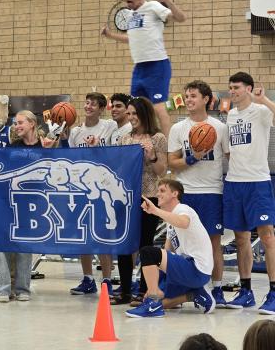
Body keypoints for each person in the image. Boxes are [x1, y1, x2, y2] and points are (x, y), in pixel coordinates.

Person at [168, 80, 229, 307]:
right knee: (180, 243)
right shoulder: (178, 128)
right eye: (187, 96)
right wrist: (192, 157)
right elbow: (172, 162)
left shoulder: (220, 128)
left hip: (212, 191)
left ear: (206, 99)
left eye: (194, 96)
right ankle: (183, 289)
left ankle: (218, 289)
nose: (189, 100)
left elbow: (230, 158)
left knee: (214, 243)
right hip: (185, 193)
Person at [101, 0, 186, 137]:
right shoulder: (132, 16)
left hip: (157, 66)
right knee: (136, 108)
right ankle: (143, 141)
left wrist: (167, 0)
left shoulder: (153, 6)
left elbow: (181, 18)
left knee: (159, 108)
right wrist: (110, 35)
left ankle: (169, 149)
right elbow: (132, 39)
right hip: (139, 69)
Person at [125, 178, 215, 318]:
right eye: (158, 191)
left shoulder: (183, 209)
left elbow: (184, 223)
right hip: (188, 270)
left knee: (147, 252)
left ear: (174, 194)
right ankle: (193, 294)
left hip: (196, 268)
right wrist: (154, 284)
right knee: (159, 297)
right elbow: (167, 252)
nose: (158, 194)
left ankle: (153, 304)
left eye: (162, 191)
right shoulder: (169, 220)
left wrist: (155, 211)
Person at [224, 72, 275, 314]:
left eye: (236, 87)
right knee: (241, 239)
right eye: (230, 87)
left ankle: (274, 292)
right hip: (235, 182)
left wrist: (264, 100)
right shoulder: (231, 115)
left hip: (258, 182)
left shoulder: (261, 111)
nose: (232, 91)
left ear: (248, 88)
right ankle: (246, 291)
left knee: (267, 238)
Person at [0, 110, 57, 302]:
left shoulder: (47, 144)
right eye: (15, 123)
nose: (16, 126)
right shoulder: (11, 147)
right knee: (1, 244)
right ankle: (3, 289)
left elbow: (58, 171)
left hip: (36, 204)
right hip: (10, 202)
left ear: (32, 123)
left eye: (20, 122)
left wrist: (49, 151)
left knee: (25, 246)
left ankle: (22, 288)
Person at [111, 96, 167, 305]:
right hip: (126, 196)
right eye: (130, 113)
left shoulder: (158, 137)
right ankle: (125, 289)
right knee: (124, 244)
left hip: (148, 196)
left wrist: (151, 155)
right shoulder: (125, 138)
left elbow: (161, 170)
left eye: (135, 113)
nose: (132, 117)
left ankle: (144, 289)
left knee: (145, 245)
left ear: (145, 114)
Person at [69, 92, 118, 296]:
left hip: (103, 187)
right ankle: (88, 279)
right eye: (87, 103)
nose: (88, 106)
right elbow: (71, 159)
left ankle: (106, 280)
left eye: (93, 104)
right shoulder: (75, 132)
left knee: (103, 236)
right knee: (84, 235)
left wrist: (97, 149)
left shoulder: (109, 127)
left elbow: (116, 154)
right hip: (82, 188)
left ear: (101, 108)